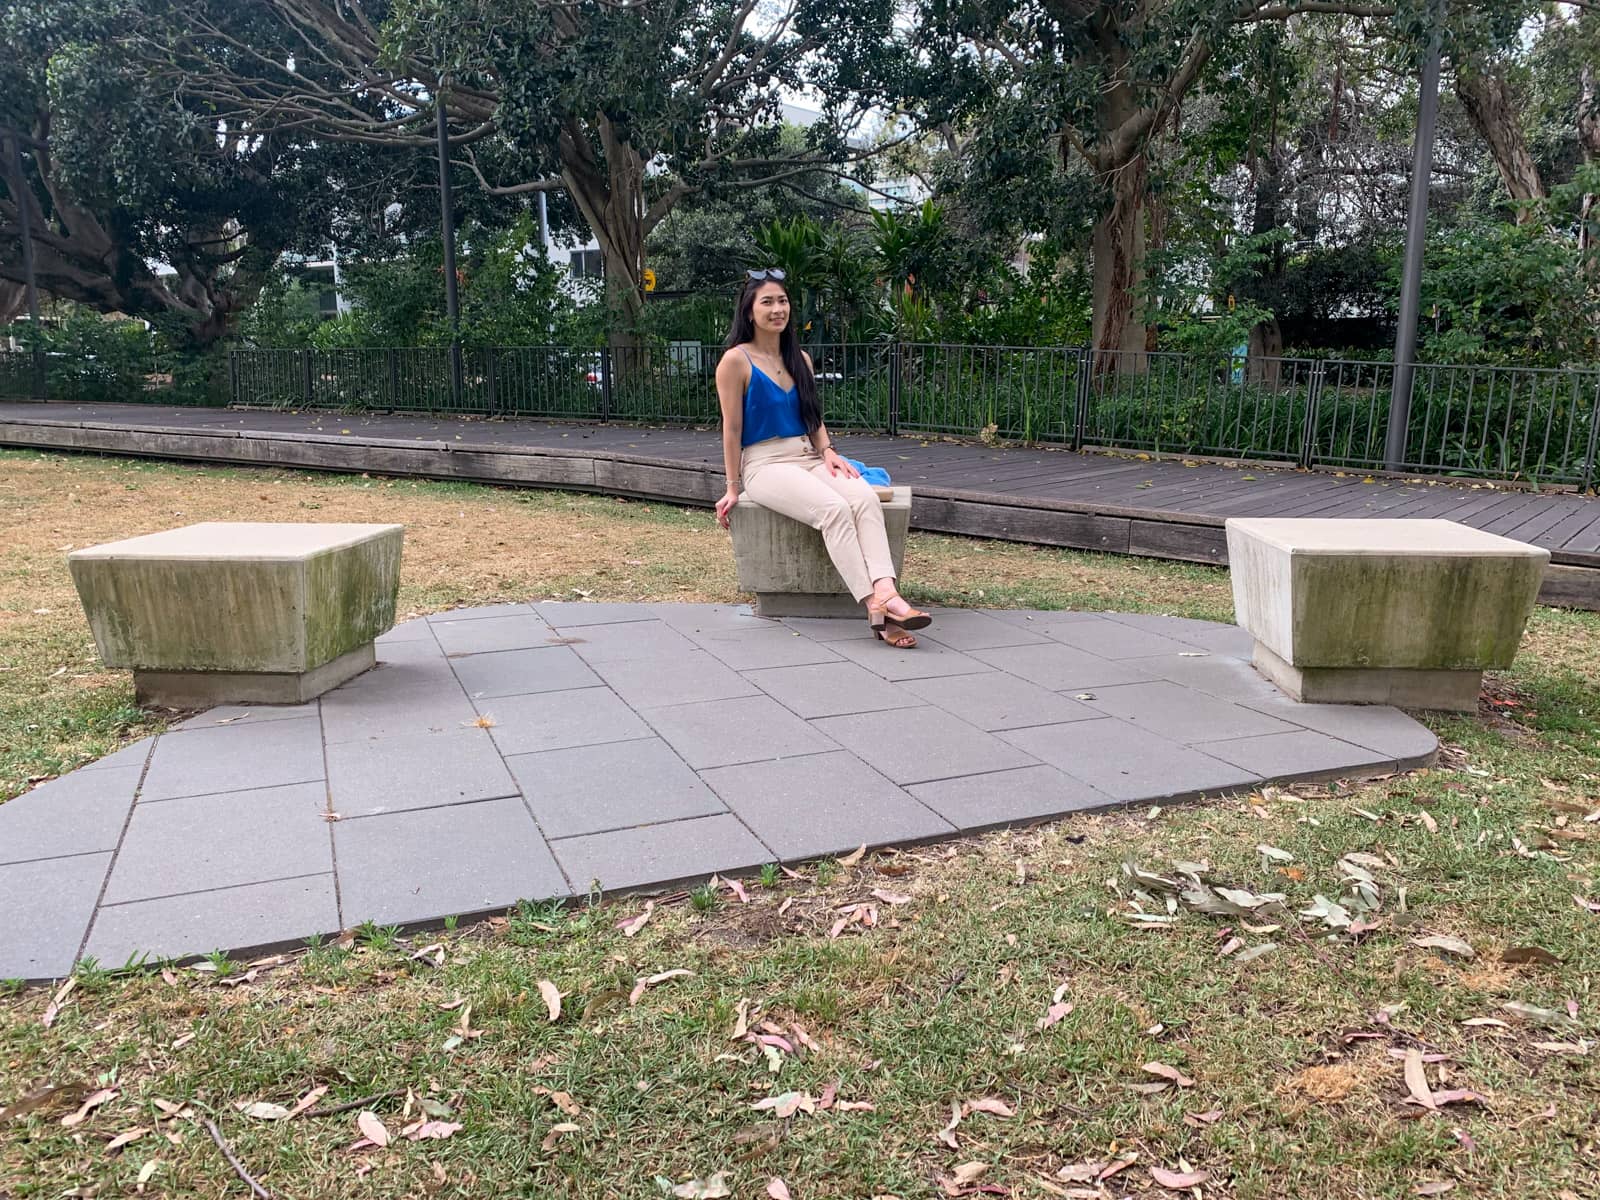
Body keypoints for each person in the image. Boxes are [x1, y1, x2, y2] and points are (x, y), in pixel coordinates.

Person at [714, 268, 932, 648]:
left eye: (782, 300)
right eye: (767, 302)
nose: (777, 309)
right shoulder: (735, 361)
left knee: (863, 498)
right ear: (749, 311)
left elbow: (813, 417)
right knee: (833, 509)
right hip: (765, 464)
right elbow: (731, 429)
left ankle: (886, 589)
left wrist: (829, 451)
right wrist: (732, 488)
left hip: (808, 454)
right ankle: (875, 606)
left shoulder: (800, 359)